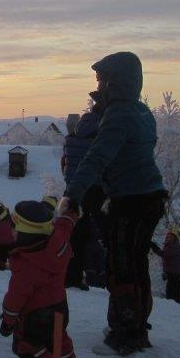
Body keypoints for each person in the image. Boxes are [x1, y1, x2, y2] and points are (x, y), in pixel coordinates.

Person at [63, 51, 167, 356]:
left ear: (114, 81)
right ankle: (135, 324)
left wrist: (73, 195)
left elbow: (98, 155)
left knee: (121, 265)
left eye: (101, 79)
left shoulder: (119, 114)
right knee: (136, 264)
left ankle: (125, 334)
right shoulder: (141, 111)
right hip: (149, 196)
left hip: (132, 200)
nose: (98, 85)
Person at [0, 199, 76, 358]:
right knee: (58, 336)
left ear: (26, 234)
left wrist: (8, 322)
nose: (12, 232)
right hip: (59, 306)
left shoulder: (27, 264)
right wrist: (71, 210)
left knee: (26, 344)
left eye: (15, 229)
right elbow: (65, 224)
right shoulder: (56, 239)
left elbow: (16, 297)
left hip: (36, 314)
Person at [61, 106, 107, 291]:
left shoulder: (70, 140)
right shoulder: (99, 141)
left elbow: (65, 165)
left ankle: (70, 275)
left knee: (73, 235)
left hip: (72, 190)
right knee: (91, 234)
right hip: (93, 190)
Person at [151, 228, 180, 305]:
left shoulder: (173, 246)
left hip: (175, 272)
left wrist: (154, 247)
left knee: (171, 290)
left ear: (174, 238)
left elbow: (164, 254)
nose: (167, 238)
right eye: (166, 236)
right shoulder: (173, 245)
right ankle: (179, 305)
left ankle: (171, 304)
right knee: (177, 289)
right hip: (176, 272)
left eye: (169, 237)